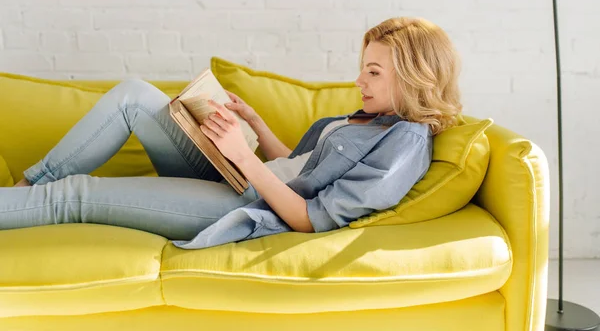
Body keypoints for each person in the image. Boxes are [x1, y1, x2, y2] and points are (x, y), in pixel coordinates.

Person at [0, 17, 462, 249]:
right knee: (134, 97)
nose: (359, 81)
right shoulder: (370, 118)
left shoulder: (405, 144)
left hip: (248, 203)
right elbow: (296, 165)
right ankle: (26, 187)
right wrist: (256, 125)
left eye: (373, 72)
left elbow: (310, 218)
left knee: (77, 194)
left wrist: (243, 157)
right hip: (243, 177)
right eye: (363, 69)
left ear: (413, 76)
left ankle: (22, 198)